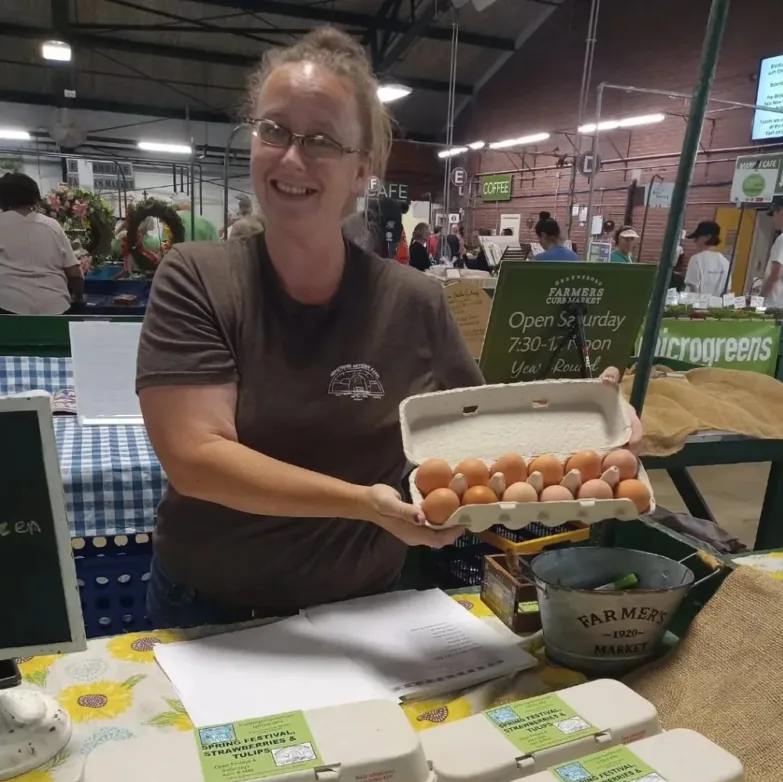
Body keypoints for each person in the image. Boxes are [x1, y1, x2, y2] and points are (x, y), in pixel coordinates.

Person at [136, 27, 641, 629]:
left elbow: (477, 441)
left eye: (321, 140)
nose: (291, 157)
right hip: (213, 615)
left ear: (363, 170)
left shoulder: (413, 302)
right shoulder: (198, 278)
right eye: (273, 130)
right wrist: (364, 505)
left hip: (368, 611)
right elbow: (197, 458)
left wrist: (585, 427)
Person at [0, 173, 84, 314]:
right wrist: (79, 298)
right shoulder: (52, 225)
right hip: (56, 308)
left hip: (8, 308)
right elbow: (75, 274)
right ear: (34, 197)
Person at [684, 221, 730, 296]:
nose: (695, 241)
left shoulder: (696, 259)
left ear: (707, 237)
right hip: (715, 306)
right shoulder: (725, 262)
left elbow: (693, 288)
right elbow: (726, 291)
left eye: (697, 237)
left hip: (696, 305)